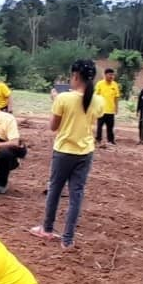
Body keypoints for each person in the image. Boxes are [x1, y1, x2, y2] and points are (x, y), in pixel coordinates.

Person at [30, 60, 103, 249]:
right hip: (85, 152)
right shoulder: (98, 100)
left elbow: (53, 126)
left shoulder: (63, 98)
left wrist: (55, 101)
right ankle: (68, 239)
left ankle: (47, 228)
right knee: (76, 195)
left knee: (55, 190)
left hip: (63, 151)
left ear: (76, 76)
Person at [94, 67, 120, 146]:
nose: (111, 76)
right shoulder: (100, 84)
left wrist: (116, 108)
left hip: (110, 110)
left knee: (110, 126)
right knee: (99, 126)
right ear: (105, 75)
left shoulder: (115, 85)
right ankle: (98, 139)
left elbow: (116, 97)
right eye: (110, 74)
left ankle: (111, 140)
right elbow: (96, 96)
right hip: (101, 109)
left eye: (112, 75)